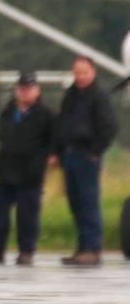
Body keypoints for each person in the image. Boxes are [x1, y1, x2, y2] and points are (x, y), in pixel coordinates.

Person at [0, 71, 56, 266]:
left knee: (27, 215)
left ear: (37, 90)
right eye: (21, 88)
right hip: (6, 171)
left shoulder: (46, 115)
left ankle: (26, 251)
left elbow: (53, 141)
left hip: (30, 173)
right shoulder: (7, 111)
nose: (24, 92)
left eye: (29, 88)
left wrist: (47, 158)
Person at [51, 56, 118, 266]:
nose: (80, 76)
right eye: (77, 72)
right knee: (75, 203)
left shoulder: (99, 96)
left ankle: (92, 248)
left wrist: (95, 151)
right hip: (69, 155)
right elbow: (61, 124)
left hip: (87, 156)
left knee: (88, 203)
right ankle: (82, 248)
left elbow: (110, 127)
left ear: (93, 72)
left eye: (84, 72)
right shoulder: (70, 95)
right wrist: (57, 151)